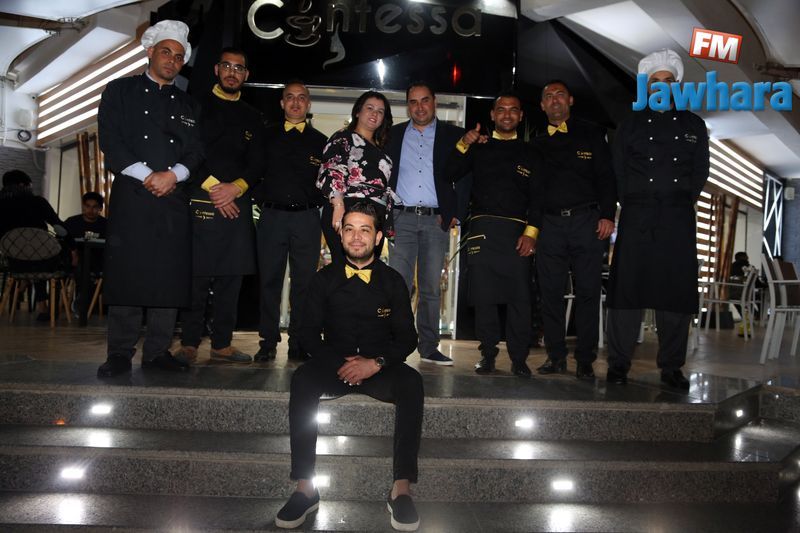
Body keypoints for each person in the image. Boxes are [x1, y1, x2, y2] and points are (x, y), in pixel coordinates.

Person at [275, 202, 422, 532]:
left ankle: (401, 490)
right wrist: (340, 364)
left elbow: (407, 338)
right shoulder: (323, 280)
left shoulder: (393, 281)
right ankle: (305, 488)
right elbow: (307, 334)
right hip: (335, 365)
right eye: (350, 229)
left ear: (378, 237)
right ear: (340, 235)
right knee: (302, 379)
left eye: (365, 230)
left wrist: (376, 363)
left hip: (379, 368)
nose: (356, 237)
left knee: (412, 383)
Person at [96, 20, 203, 377]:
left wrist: (173, 175)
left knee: (169, 276)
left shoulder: (189, 104)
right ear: (150, 52)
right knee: (128, 272)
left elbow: (196, 151)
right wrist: (147, 175)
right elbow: (111, 141)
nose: (172, 60)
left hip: (173, 197)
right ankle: (119, 353)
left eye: (179, 56)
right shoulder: (119, 91)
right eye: (166, 52)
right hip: (133, 194)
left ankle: (157, 352)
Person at [606, 49, 709, 390]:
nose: (662, 86)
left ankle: (671, 367)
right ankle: (618, 364)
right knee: (626, 291)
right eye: (655, 82)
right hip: (637, 215)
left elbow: (700, 171)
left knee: (676, 293)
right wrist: (634, 202)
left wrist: (679, 200)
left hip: (677, 217)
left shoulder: (694, 125)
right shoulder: (629, 125)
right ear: (646, 87)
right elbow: (618, 172)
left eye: (668, 81)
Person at [172, 47, 265, 365]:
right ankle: (189, 343)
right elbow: (187, 153)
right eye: (227, 66)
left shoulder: (253, 116)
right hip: (201, 196)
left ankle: (222, 344)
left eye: (238, 68)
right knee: (196, 277)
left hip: (238, 201)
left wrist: (235, 188)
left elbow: (257, 163)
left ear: (246, 75)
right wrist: (216, 189)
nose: (232, 72)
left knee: (232, 278)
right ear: (216, 69)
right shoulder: (194, 105)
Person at [446, 92, 539, 378]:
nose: (507, 114)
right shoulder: (478, 147)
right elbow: (449, 172)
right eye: (501, 109)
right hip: (482, 231)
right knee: (484, 298)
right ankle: (487, 355)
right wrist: (464, 143)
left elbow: (539, 197)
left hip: (517, 233)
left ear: (520, 116)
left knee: (519, 299)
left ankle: (519, 359)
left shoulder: (531, 152)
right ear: (492, 115)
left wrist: (531, 233)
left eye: (513, 110)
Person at [532, 80, 617, 379]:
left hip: (586, 222)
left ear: (570, 100)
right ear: (542, 105)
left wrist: (607, 215)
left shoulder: (592, 133)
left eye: (560, 95)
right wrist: (533, 229)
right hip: (549, 225)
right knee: (550, 294)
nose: (554, 100)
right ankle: (555, 356)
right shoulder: (537, 142)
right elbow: (533, 191)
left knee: (588, 292)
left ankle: (585, 359)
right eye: (548, 96)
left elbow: (607, 177)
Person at [386, 81, 465, 366]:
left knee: (431, 287)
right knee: (399, 286)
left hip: (436, 220)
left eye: (425, 100)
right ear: (407, 105)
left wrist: (455, 211)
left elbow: (465, 175)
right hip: (401, 219)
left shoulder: (454, 135)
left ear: (434, 102)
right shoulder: (392, 135)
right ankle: (395, 345)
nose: (419, 107)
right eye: (413, 102)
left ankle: (429, 347)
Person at [253, 80, 327, 362]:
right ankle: (267, 341)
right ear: (282, 103)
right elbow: (253, 172)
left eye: (301, 98)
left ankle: (299, 341)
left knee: (304, 284)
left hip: (307, 219)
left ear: (308, 104)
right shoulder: (265, 135)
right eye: (290, 97)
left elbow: (326, 183)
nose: (296, 102)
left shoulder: (321, 141)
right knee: (269, 281)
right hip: (272, 218)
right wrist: (263, 199)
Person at [317, 90, 394, 264]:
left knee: (367, 270)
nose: (374, 114)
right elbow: (331, 170)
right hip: (346, 209)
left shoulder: (382, 148)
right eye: (370, 108)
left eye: (380, 111)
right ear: (358, 111)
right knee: (344, 268)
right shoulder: (342, 138)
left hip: (375, 216)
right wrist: (338, 206)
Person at [0, 169, 72, 320]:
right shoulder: (38, 202)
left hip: (14, 261)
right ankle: (44, 306)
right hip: (41, 260)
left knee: (31, 256)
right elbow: (58, 226)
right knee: (44, 256)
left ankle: (24, 282)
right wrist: (73, 245)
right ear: (23, 185)